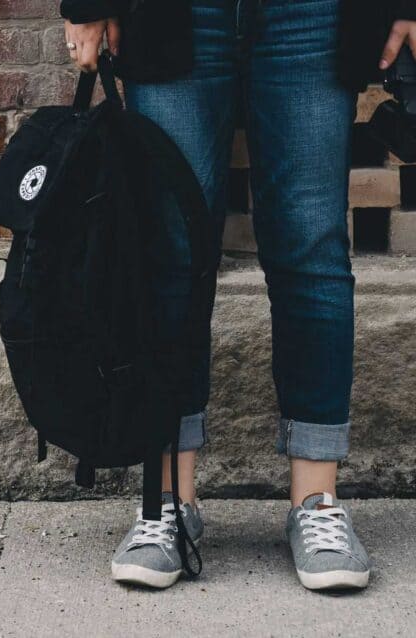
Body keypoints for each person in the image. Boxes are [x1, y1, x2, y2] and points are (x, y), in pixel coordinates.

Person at [60, 0, 416, 591]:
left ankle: (318, 501)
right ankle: (169, 502)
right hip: (173, 11)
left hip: (313, 12)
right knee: (170, 251)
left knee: (312, 245)